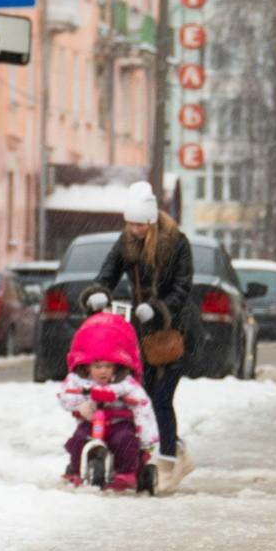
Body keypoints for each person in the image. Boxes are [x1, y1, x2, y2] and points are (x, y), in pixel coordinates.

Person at [82, 181, 198, 494]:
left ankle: (167, 462)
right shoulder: (127, 242)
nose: (133, 230)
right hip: (141, 334)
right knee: (144, 397)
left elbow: (183, 286)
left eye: (139, 224)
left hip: (175, 332)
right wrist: (97, 294)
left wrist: (158, 309)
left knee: (161, 398)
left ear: (151, 221)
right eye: (130, 223)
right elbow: (107, 273)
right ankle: (175, 450)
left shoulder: (176, 243)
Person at [58, 313, 159, 490]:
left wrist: (147, 438)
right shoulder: (79, 380)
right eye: (97, 366)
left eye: (108, 366)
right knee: (80, 439)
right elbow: (65, 395)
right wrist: (79, 405)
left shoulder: (125, 383)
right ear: (88, 366)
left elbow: (142, 404)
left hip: (118, 422)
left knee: (125, 440)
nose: (103, 371)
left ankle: (126, 472)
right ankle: (76, 468)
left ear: (117, 366)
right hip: (92, 422)